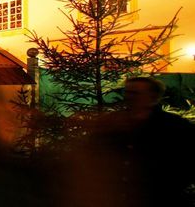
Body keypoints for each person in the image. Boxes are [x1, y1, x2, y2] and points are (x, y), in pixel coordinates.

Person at [70, 77, 195, 206]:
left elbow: (188, 161)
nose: (129, 97)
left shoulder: (174, 126)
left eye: (135, 93)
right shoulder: (111, 121)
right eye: (127, 92)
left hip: (159, 198)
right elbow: (92, 152)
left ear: (152, 96)